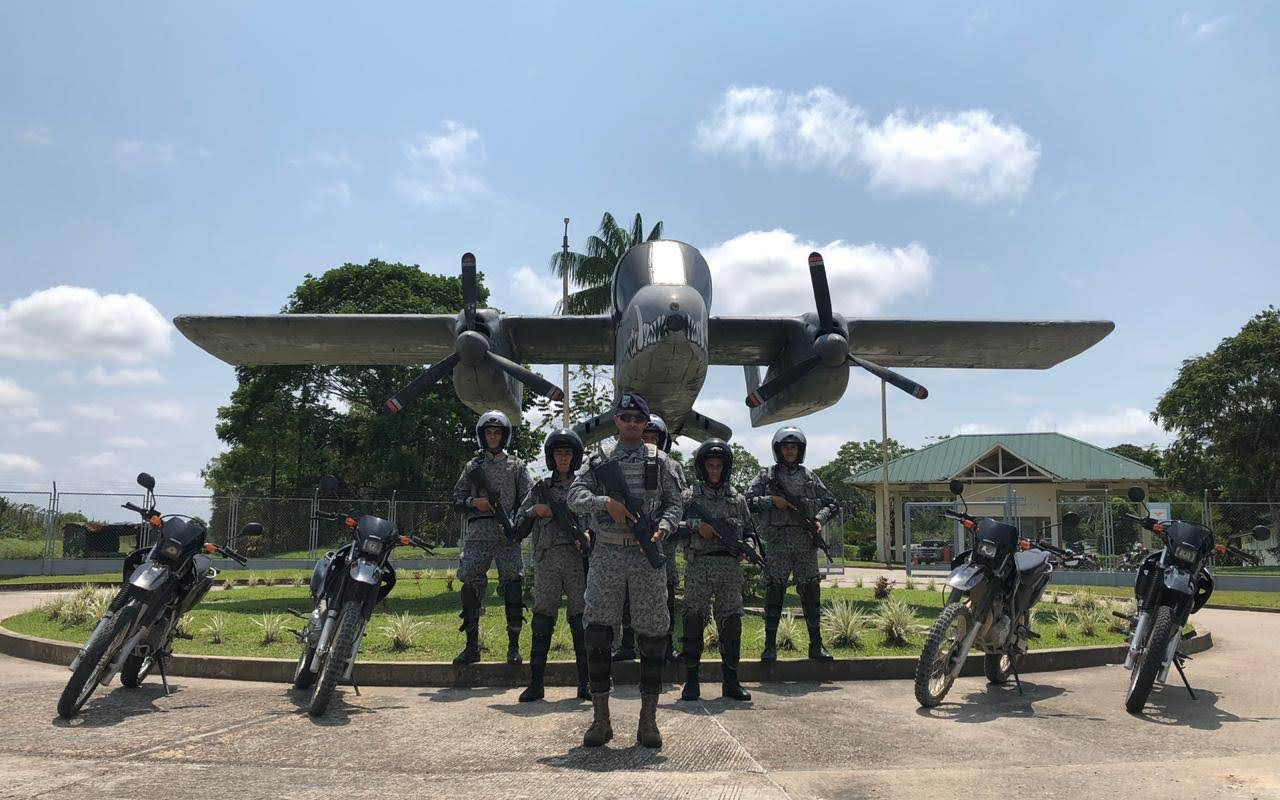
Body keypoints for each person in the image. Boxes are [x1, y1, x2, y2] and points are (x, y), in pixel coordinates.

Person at [567, 393, 683, 749]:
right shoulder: (599, 459)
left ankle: (648, 720)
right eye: (625, 417)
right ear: (616, 420)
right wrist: (606, 503)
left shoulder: (662, 461)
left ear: (646, 423)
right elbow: (573, 497)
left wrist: (663, 527)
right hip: (608, 554)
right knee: (598, 633)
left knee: (653, 635)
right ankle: (601, 719)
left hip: (647, 555)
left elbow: (675, 503)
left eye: (638, 418)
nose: (632, 423)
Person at [746, 426, 838, 663]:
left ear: (800, 450)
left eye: (794, 448)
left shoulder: (809, 477)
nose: (790, 452)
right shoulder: (766, 476)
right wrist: (772, 501)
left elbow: (832, 504)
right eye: (786, 447)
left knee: (811, 593)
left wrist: (818, 520)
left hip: (805, 543)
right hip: (778, 543)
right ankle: (769, 647)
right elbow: (747, 502)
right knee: (774, 593)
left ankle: (816, 645)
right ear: (778, 450)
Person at [515, 429, 592, 702]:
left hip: (576, 561)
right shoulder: (540, 489)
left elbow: (596, 519)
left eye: (568, 453)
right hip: (547, 559)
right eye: (558, 453)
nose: (563, 458)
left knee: (580, 620)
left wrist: (587, 535)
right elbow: (518, 521)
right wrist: (534, 511)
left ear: (575, 457)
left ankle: (586, 683)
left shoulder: (583, 488)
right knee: (542, 619)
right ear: (551, 456)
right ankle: (536, 684)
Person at [450, 411, 532, 666]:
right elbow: (457, 499)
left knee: (513, 586)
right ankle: (471, 647)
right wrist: (475, 502)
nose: (493, 437)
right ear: (482, 435)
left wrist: (516, 522)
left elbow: (528, 499)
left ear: (504, 436)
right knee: (470, 586)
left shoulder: (516, 466)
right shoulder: (473, 467)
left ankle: (514, 648)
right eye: (489, 433)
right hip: (478, 534)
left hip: (506, 535)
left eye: (497, 433)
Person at [678, 439, 754, 702]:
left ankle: (731, 681)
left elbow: (749, 531)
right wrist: (696, 526)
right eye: (710, 465)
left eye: (719, 466)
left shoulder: (737, 499)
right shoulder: (688, 497)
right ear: (702, 467)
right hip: (699, 565)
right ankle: (691, 681)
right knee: (693, 620)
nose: (714, 471)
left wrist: (749, 546)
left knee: (731, 623)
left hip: (729, 568)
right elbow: (671, 526)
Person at [613, 415, 683, 663]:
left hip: (663, 540)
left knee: (665, 594)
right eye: (647, 437)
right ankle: (627, 643)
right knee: (628, 594)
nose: (650, 441)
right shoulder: (623, 463)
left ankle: (666, 645)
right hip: (631, 540)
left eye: (655, 438)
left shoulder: (670, 466)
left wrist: (663, 526)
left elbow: (678, 503)